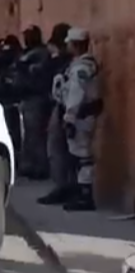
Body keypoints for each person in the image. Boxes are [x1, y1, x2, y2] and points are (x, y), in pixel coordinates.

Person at [59, 27, 100, 211]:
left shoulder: (81, 69)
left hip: (81, 116)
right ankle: (80, 191)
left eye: (69, 44)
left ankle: (85, 196)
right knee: (78, 154)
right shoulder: (80, 65)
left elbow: (76, 94)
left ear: (75, 45)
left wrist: (69, 118)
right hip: (83, 114)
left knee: (82, 155)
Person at [38, 34, 76, 205]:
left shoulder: (69, 64)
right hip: (62, 107)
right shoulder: (68, 63)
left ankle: (64, 188)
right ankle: (66, 187)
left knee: (59, 150)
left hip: (67, 109)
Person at [16, 26, 51, 179]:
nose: (26, 38)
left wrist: (24, 67)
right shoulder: (28, 52)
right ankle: (30, 165)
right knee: (29, 134)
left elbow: (36, 71)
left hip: (37, 96)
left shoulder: (41, 53)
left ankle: (41, 167)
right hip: (26, 96)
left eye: (29, 35)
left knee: (36, 134)